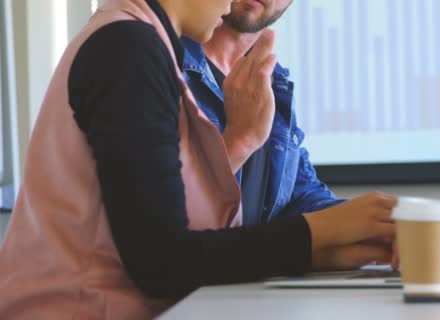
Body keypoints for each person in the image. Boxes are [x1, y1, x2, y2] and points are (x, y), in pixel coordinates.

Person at [0, 0, 397, 319]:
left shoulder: (144, 44)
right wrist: (314, 236)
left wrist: (340, 240)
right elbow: (165, 261)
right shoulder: (129, 49)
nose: (228, 6)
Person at [181, 0, 341, 226]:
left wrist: (375, 224)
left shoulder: (274, 82)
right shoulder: (159, 64)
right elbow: (154, 214)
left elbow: (298, 196)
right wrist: (240, 140)